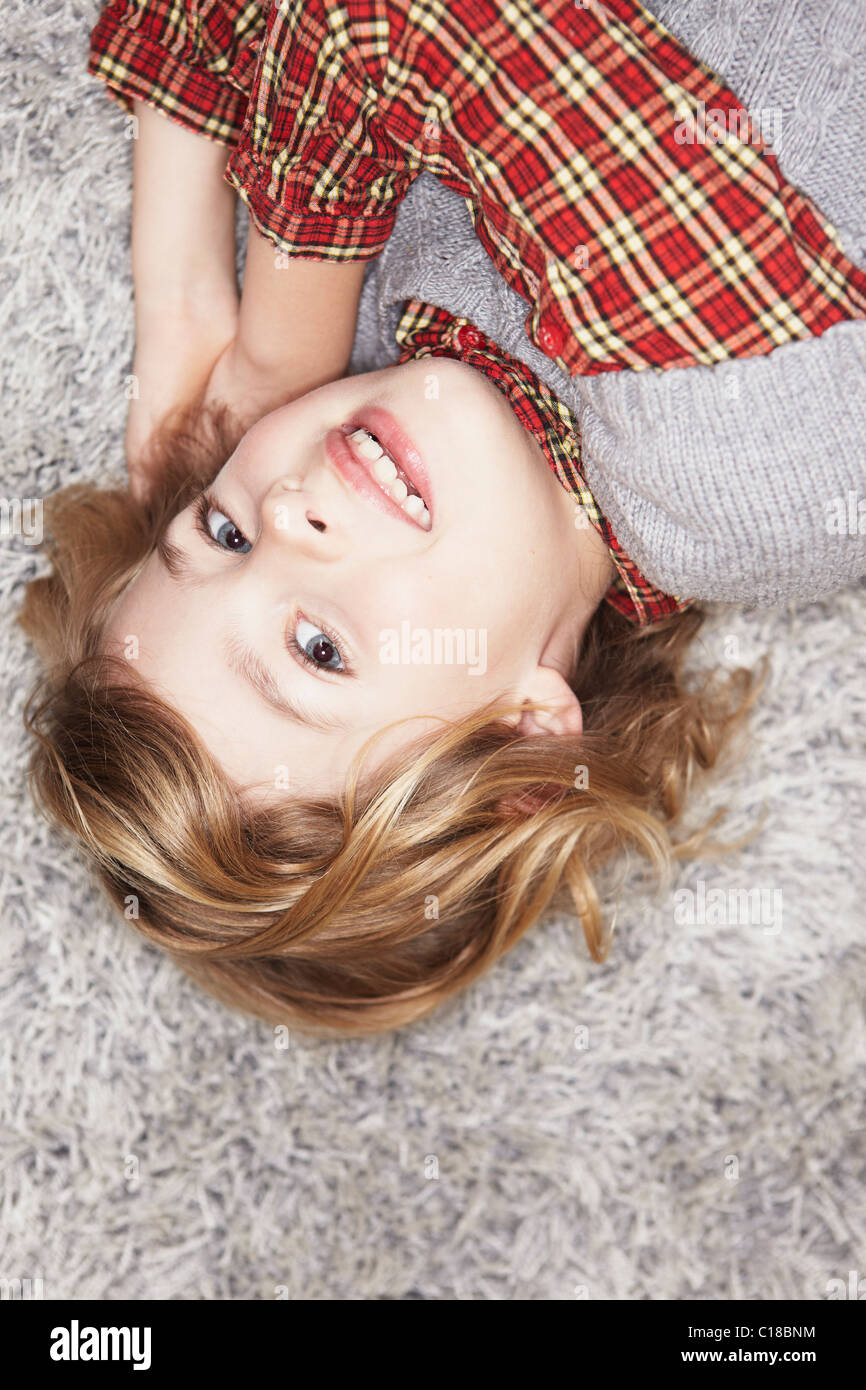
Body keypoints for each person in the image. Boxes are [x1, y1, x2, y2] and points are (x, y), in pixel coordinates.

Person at [18, 0, 863, 1037]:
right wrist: (269, 327)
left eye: (219, 534)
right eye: (317, 648)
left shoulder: (385, 342)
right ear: (520, 744)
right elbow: (386, 23)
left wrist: (195, 301)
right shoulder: (745, 477)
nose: (286, 513)